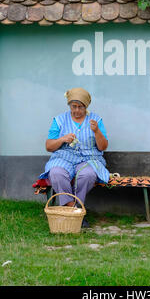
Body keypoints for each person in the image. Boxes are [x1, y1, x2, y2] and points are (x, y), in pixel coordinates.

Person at [38, 87, 109, 226]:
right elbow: (48, 146)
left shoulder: (95, 120)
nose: (76, 110)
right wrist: (62, 139)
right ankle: (75, 211)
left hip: (89, 159)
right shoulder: (59, 120)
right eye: (73, 106)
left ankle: (71, 212)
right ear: (69, 105)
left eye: (80, 107)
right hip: (64, 158)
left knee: (87, 175)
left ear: (86, 106)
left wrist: (97, 131)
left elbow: (103, 147)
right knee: (56, 173)